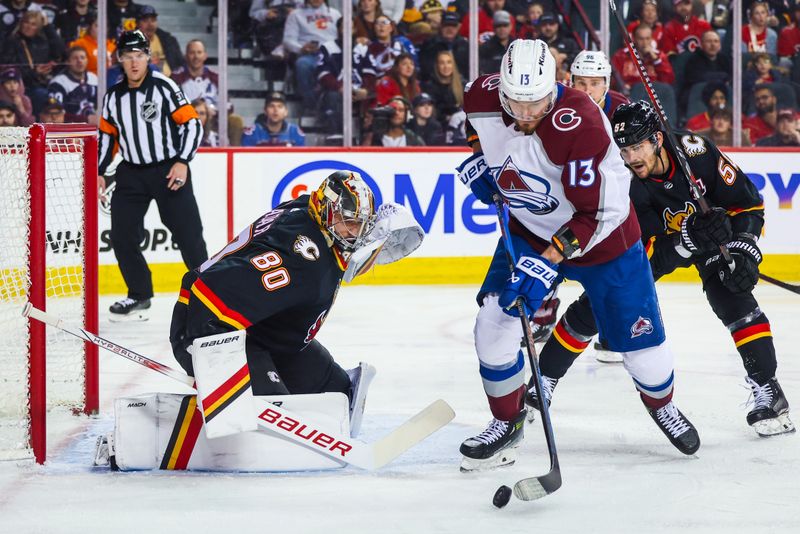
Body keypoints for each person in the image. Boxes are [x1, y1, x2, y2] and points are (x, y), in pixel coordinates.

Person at [457, 39, 699, 472]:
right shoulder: (480, 95)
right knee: (493, 324)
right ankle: (507, 422)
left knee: (643, 350)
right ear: (501, 92)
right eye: (516, 102)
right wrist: (479, 161)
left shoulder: (583, 125)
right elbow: (475, 129)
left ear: (556, 86)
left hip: (606, 240)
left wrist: (546, 260)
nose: (526, 113)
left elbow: (597, 213)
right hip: (530, 229)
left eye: (537, 103)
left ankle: (662, 404)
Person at [535, 100, 793, 438]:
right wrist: (686, 238)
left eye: (638, 147)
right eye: (624, 149)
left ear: (657, 139)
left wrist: (744, 245)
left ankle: (769, 390)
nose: (631, 157)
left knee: (731, 293)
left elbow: (747, 204)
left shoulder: (696, 154)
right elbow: (643, 255)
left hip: (709, 240)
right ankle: (544, 378)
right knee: (602, 302)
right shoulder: (620, 179)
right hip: (657, 248)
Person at [168, 171, 380, 439]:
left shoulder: (308, 209)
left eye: (361, 225)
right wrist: (213, 359)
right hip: (210, 327)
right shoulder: (302, 259)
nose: (355, 233)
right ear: (328, 210)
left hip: (263, 330)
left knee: (337, 393)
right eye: (349, 223)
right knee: (274, 423)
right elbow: (210, 290)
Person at [97, 30, 207, 321]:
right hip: (131, 173)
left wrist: (183, 161)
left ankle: (209, 296)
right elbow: (108, 138)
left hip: (168, 169)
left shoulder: (164, 87)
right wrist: (99, 172)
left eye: (139, 56)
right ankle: (139, 295)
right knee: (121, 236)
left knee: (189, 235)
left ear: (148, 57)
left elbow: (193, 125)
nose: (134, 63)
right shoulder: (113, 97)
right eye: (127, 57)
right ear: (119, 59)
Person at [283, 0, 341, 109]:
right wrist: (301, 48)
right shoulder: (295, 14)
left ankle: (332, 105)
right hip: (310, 55)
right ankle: (311, 106)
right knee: (303, 64)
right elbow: (288, 41)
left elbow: (343, 35)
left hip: (332, 55)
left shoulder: (335, 14)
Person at [612, 24, 675, 91]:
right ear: (634, 39)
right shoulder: (621, 56)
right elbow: (613, 81)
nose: (645, 42)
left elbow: (668, 81)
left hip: (654, 95)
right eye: (641, 39)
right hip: (630, 95)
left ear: (651, 39)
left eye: (647, 38)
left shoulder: (659, 56)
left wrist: (656, 60)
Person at [570, 49, 629, 119]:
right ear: (573, 84)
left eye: (594, 83)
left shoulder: (621, 106)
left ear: (606, 85)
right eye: (581, 83)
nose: (587, 91)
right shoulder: (560, 105)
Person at [47, 45, 98, 123]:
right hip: (69, 130)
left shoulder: (94, 78)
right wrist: (86, 119)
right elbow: (56, 115)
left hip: (95, 128)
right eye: (75, 58)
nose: (79, 61)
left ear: (87, 60)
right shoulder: (58, 83)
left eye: (82, 57)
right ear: (67, 62)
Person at [418, 11, 469, 82]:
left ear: (458, 27)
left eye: (453, 26)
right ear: (441, 26)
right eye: (447, 25)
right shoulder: (429, 45)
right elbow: (426, 70)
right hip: (436, 84)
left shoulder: (465, 46)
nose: (450, 29)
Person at [241, 91, 306, 146]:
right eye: (271, 106)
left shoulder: (295, 132)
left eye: (280, 106)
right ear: (265, 111)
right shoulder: (252, 132)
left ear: (286, 112)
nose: (275, 110)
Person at [136, 5, 183, 77]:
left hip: (170, 79)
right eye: (145, 20)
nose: (150, 24)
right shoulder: (132, 43)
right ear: (138, 24)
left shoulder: (169, 40)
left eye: (153, 20)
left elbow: (180, 63)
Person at [170, 40, 219, 107]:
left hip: (211, 116)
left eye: (199, 52)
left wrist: (213, 112)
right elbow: (170, 104)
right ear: (186, 56)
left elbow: (228, 106)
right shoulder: (176, 77)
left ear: (205, 56)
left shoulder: (215, 76)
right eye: (192, 53)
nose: (196, 56)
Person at [478, 10, 514, 75]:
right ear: (494, 27)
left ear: (510, 26)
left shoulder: (517, 45)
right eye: (499, 26)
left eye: (505, 25)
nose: (502, 29)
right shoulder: (485, 48)